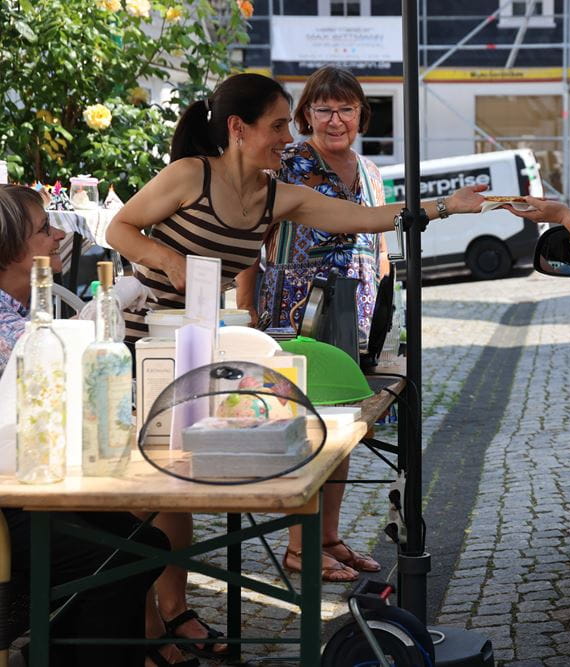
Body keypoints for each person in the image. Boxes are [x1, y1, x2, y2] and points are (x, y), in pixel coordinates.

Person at [105, 72, 485, 658]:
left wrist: (444, 207)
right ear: (238, 128)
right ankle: (141, 626)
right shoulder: (190, 175)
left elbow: (361, 219)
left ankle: (172, 612)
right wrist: (167, 258)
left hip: (202, 346)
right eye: (279, 125)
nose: (290, 135)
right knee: (147, 494)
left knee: (175, 486)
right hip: (143, 344)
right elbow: (118, 227)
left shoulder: (273, 193)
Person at [0, 184, 174, 667]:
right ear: (9, 250)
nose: (59, 235)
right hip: (11, 502)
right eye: (43, 229)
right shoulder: (13, 330)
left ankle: (54, 653)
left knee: (144, 543)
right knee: (126, 556)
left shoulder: (19, 315)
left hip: (30, 487)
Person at [235, 66, 385, 582]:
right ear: (304, 117)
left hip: (352, 314)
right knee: (307, 427)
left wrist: (383, 312)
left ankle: (329, 536)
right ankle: (300, 547)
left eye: (346, 108)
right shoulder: (290, 163)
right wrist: (248, 309)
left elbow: (377, 246)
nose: (335, 120)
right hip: (294, 311)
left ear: (362, 114)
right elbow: (252, 237)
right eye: (323, 109)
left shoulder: (370, 171)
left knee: (342, 429)